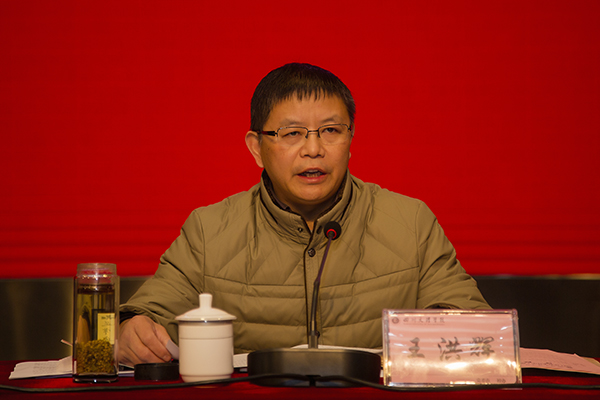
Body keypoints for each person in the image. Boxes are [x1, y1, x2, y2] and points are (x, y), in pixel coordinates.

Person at [118, 63, 490, 366]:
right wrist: (132, 330)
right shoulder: (209, 230)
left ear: (351, 139)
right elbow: (148, 313)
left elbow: (472, 325)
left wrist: (446, 331)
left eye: (331, 130)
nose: (313, 149)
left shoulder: (410, 222)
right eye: (292, 133)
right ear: (257, 148)